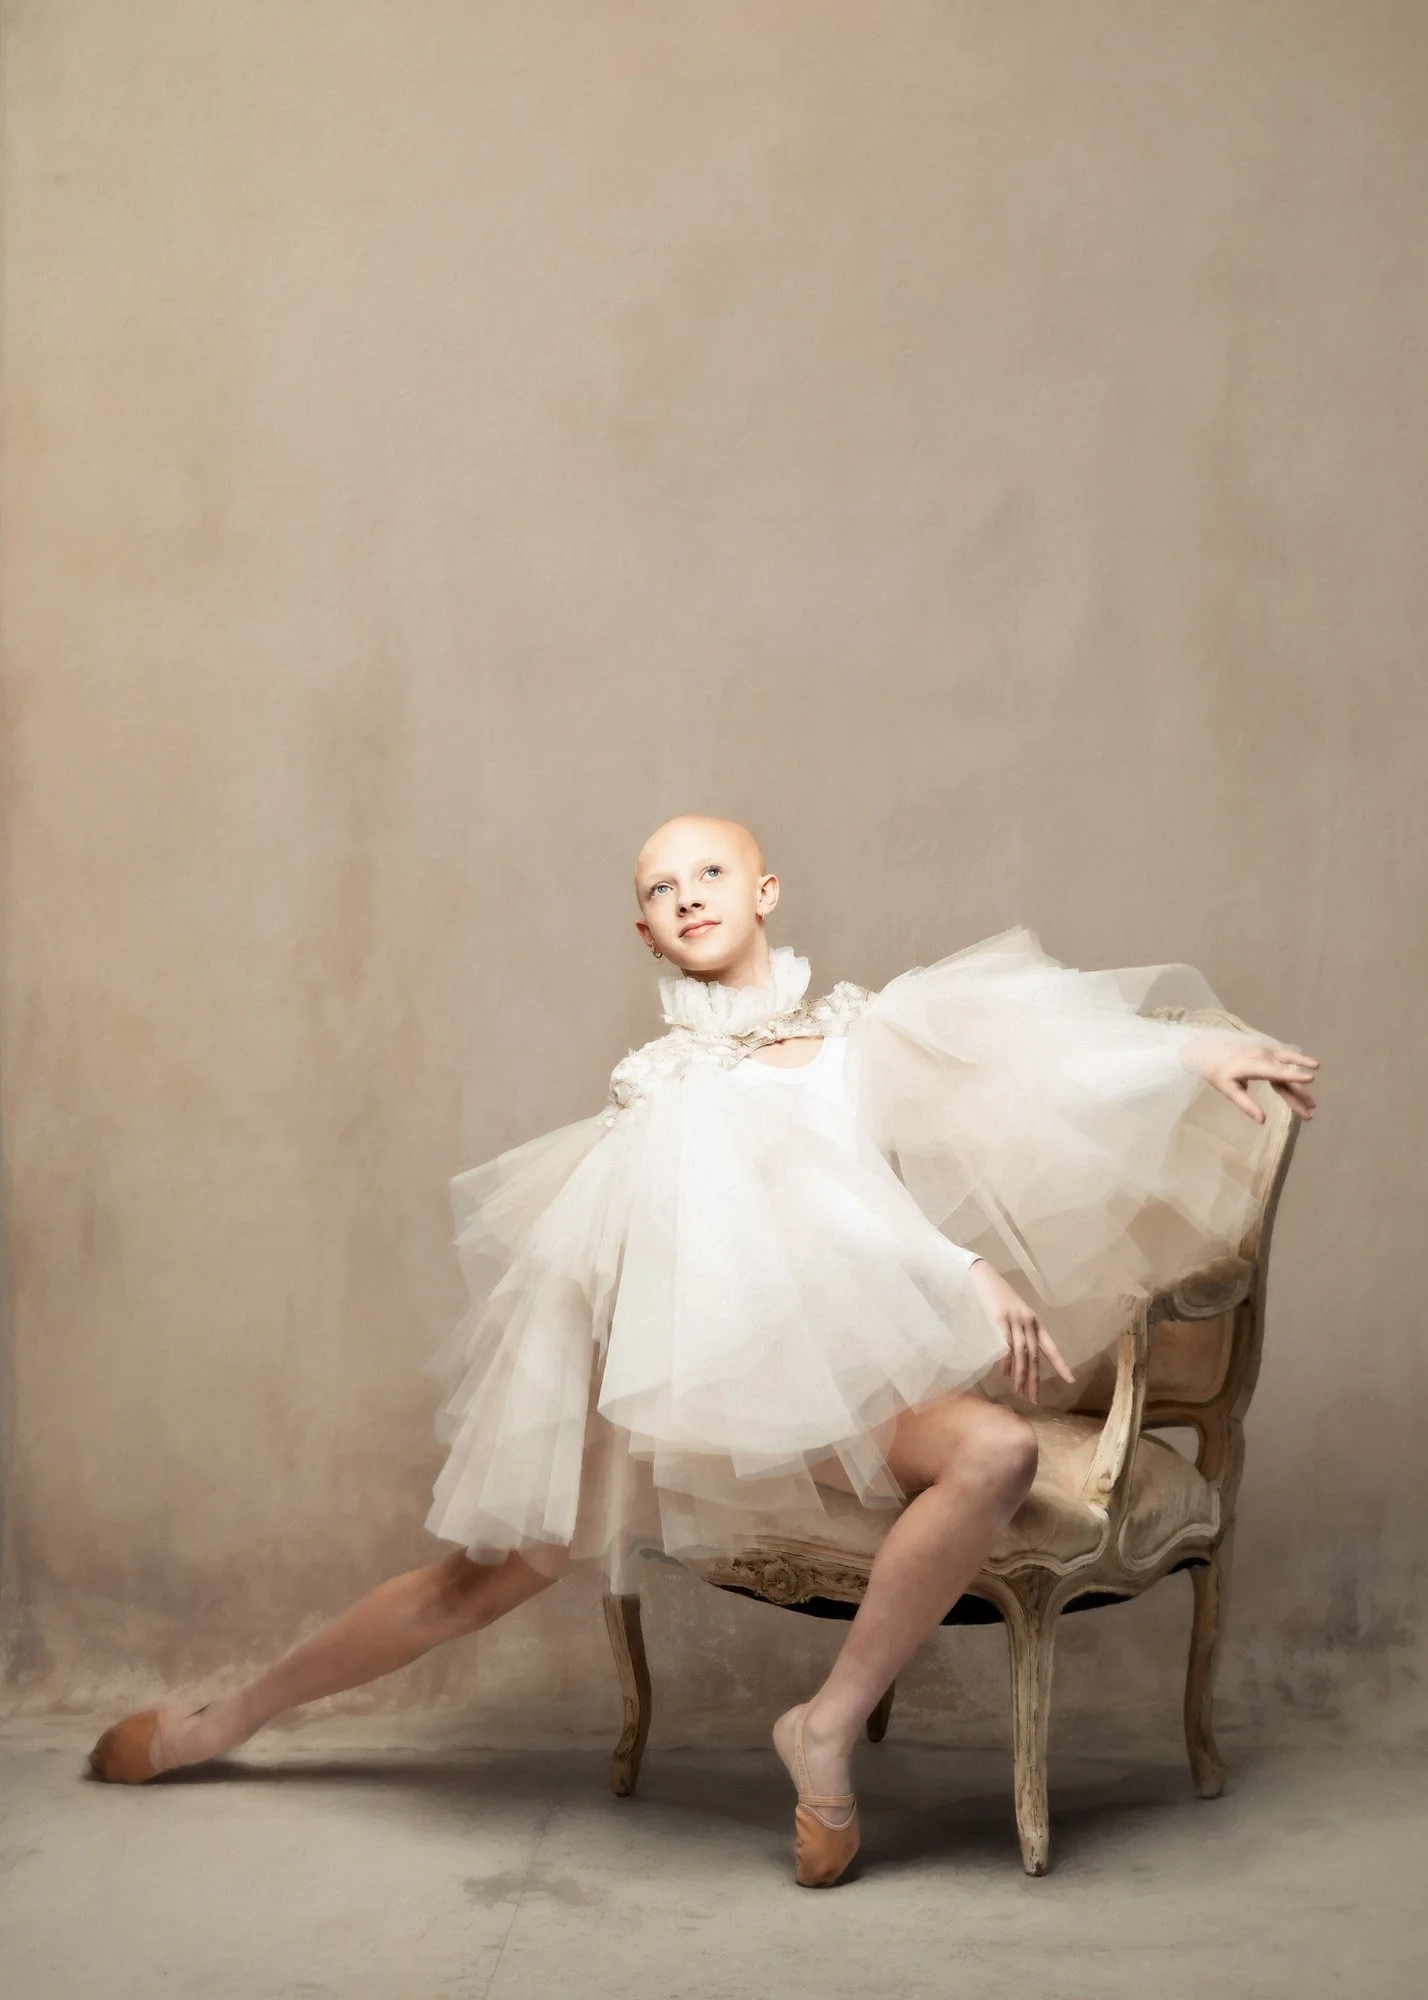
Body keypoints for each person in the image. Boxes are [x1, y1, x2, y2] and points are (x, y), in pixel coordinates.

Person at [89, 816, 1319, 1888]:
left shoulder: (863, 1028)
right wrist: (964, 1270)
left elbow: (1028, 1058)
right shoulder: (669, 1080)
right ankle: (218, 1723)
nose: (688, 893)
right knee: (480, 1578)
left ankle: (824, 1726)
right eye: (661, 885)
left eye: (711, 869)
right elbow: (810, 1193)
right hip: (697, 1402)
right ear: (645, 931)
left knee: (992, 1450)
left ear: (763, 891)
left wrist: (1186, 1053)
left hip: (849, 1393)